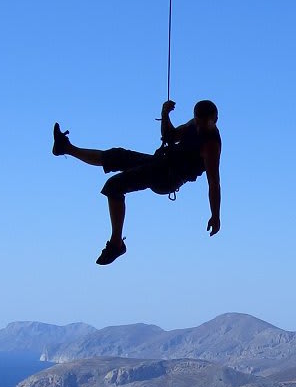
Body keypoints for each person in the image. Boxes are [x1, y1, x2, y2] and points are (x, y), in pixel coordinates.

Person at [52, 100, 222, 265]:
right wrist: (165, 114)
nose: (198, 126)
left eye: (202, 124)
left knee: (114, 186)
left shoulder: (211, 145)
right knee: (116, 156)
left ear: (213, 120)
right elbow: (169, 136)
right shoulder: (194, 124)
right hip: (160, 163)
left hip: (167, 178)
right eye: (197, 121)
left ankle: (116, 244)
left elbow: (214, 182)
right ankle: (65, 147)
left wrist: (215, 215)